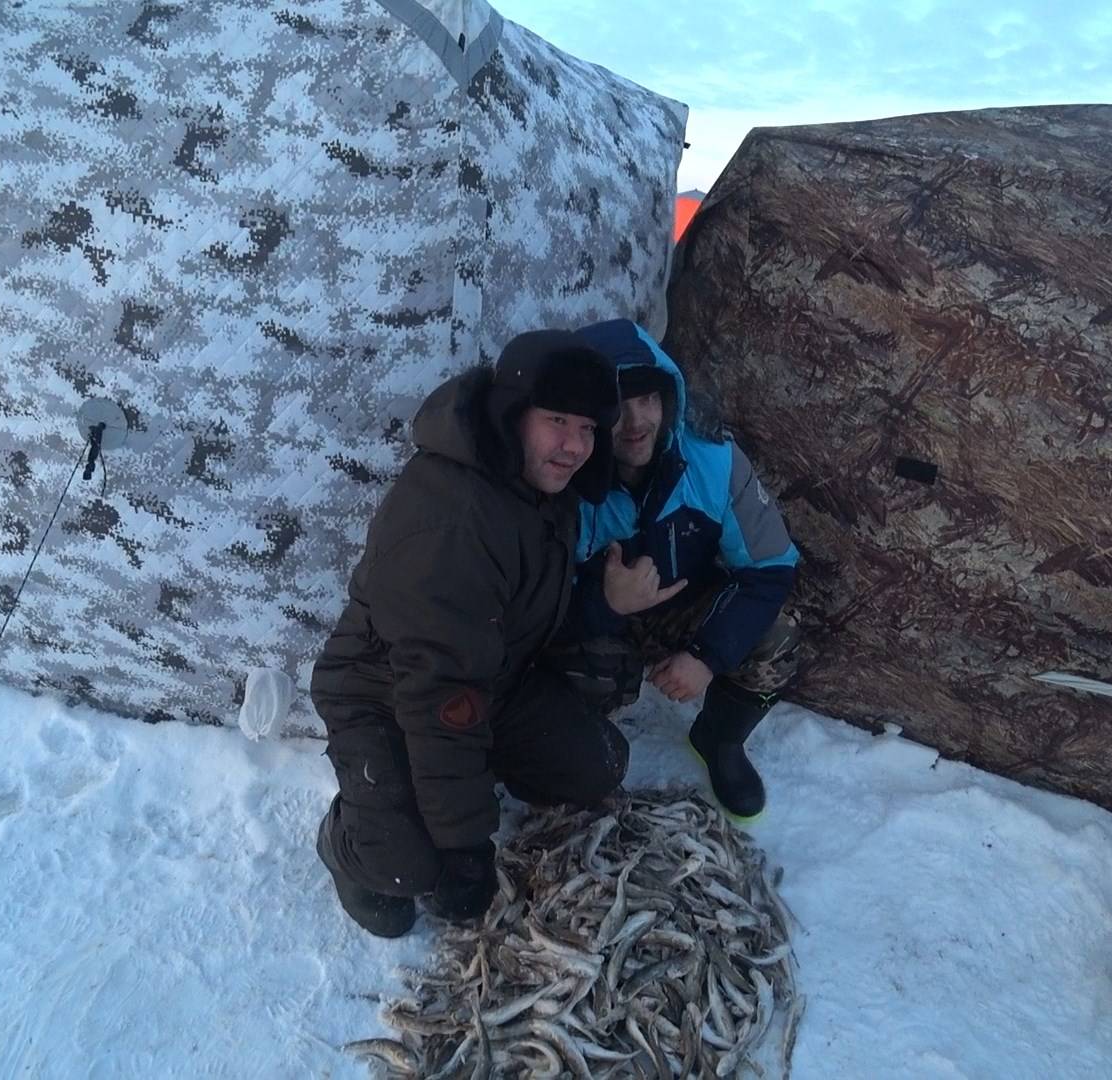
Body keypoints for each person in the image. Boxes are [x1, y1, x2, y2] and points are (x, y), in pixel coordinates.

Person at [310, 330, 679, 939]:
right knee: (402, 879)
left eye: (588, 428)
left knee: (598, 765)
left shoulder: (539, 486)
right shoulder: (453, 524)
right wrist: (465, 845)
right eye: (557, 420)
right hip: (384, 694)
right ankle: (344, 838)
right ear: (513, 414)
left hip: (489, 680)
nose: (575, 446)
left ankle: (460, 780)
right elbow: (439, 694)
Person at [553, 318, 804, 820]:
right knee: (580, 680)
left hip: (680, 607)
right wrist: (607, 602)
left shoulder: (712, 460)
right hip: (598, 621)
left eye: (648, 399)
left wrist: (706, 656)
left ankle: (718, 739)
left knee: (777, 638)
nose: (636, 421)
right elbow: (536, 609)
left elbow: (771, 565)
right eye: (618, 405)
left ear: (669, 400)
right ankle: (580, 761)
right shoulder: (563, 482)